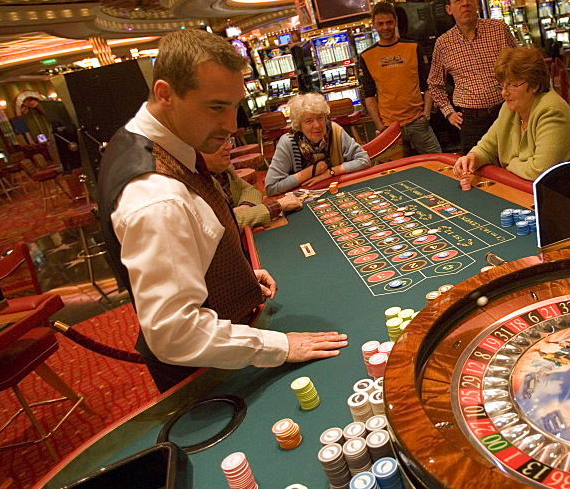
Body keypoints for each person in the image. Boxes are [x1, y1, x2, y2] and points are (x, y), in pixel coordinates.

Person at [96, 29, 347, 392]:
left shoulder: (147, 140)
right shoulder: (156, 197)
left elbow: (192, 234)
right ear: (166, 94)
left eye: (235, 105)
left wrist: (236, 272)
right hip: (210, 376)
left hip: (226, 340)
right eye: (216, 107)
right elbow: (174, 332)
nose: (231, 124)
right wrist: (280, 345)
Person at [453, 47, 570, 182]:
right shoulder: (509, 109)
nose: (504, 92)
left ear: (535, 84)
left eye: (512, 85)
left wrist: (509, 163)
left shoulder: (552, 111)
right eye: (502, 85)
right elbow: (487, 147)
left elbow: (540, 171)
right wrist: (473, 157)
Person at [428, 0, 518, 154]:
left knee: (514, 163)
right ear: (449, 9)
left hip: (506, 111)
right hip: (471, 121)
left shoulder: (499, 29)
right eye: (458, 0)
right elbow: (434, 84)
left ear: (476, 3)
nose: (465, 3)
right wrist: (449, 112)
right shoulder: (443, 43)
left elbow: (522, 67)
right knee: (477, 170)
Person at [358, 2, 441, 155]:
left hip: (418, 122)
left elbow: (428, 84)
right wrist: (380, 127)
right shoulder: (366, 56)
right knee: (397, 173)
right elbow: (369, 96)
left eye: (389, 22)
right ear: (374, 25)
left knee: (437, 162)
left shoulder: (413, 47)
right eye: (380, 24)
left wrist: (426, 115)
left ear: (395, 21)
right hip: (390, 127)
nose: (385, 27)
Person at [264, 92, 370, 196]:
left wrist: (330, 172)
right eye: (309, 121)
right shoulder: (288, 142)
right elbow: (271, 187)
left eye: (320, 118)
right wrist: (311, 172)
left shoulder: (334, 130)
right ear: (299, 125)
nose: (317, 125)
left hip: (336, 191)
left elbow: (363, 160)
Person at [201, 138, 302, 229]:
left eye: (229, 140)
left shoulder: (225, 168)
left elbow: (250, 190)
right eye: (221, 141)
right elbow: (225, 224)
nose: (229, 146)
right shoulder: (197, 184)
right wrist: (278, 205)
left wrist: (246, 207)